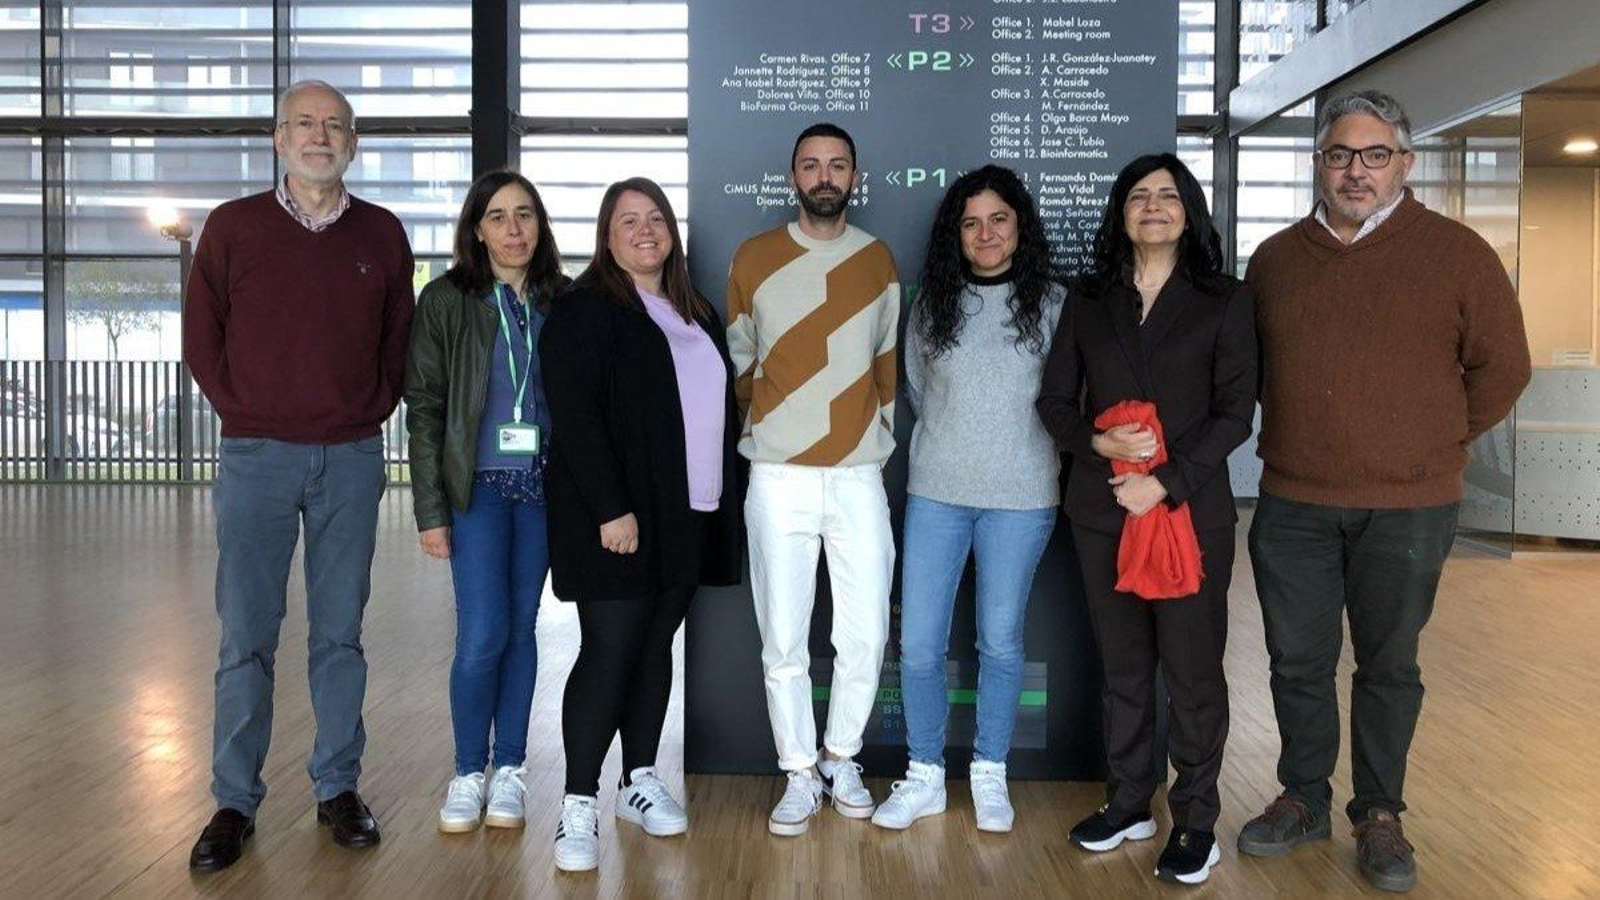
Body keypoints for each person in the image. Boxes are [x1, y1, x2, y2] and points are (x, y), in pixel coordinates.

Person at [1239, 90, 1530, 894]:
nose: (1355, 171)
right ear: (1318, 164)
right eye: (1340, 155)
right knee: (1296, 662)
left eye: (1374, 155)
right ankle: (1303, 798)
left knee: (1388, 666)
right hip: (1294, 499)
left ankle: (1379, 813)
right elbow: (1253, 372)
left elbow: (1504, 367)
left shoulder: (1457, 254)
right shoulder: (1275, 260)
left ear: (1404, 162)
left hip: (1409, 506)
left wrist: (1436, 443)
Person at [183, 80, 414, 871]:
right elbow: (200, 339)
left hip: (350, 458)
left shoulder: (383, 233)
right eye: (305, 124)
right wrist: (244, 410)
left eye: (335, 126)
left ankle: (337, 787)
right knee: (245, 637)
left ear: (353, 143)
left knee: (339, 634)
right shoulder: (232, 228)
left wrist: (369, 410)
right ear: (278, 138)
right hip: (256, 459)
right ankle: (232, 802)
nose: (321, 136)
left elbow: (396, 342)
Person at [1037, 153, 1257, 885]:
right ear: (1121, 214)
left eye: (1168, 196)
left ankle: (1195, 820)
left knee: (1191, 674)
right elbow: (1055, 403)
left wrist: (1163, 483)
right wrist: (1098, 445)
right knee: (1125, 669)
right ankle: (1129, 801)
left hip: (1189, 513)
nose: (1153, 207)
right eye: (1139, 197)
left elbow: (1234, 415)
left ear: (1188, 210)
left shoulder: (1224, 299)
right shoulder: (1089, 299)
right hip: (1103, 512)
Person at [540, 177, 743, 872]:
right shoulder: (584, 310)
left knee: (656, 645)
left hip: (688, 511)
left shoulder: (696, 311)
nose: (645, 230)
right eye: (629, 220)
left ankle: (638, 781)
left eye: (655, 218)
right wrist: (609, 508)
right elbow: (576, 416)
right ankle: (577, 803)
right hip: (615, 516)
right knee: (610, 649)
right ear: (607, 235)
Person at [869, 165, 1063, 835]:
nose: (985, 233)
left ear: (1019, 226)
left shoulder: (1054, 304)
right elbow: (919, 391)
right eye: (971, 222)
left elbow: (1066, 401)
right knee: (919, 644)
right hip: (938, 492)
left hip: (1022, 494)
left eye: (998, 219)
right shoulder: (931, 304)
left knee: (999, 642)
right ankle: (924, 773)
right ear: (957, 233)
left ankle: (989, 772)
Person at [726, 123, 900, 836]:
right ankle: (798, 770)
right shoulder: (754, 258)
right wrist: (777, 424)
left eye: (836, 165)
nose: (824, 175)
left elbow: (887, 365)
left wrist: (866, 438)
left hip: (858, 473)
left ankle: (842, 756)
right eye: (811, 165)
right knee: (784, 637)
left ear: (854, 176)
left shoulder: (877, 260)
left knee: (864, 634)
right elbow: (740, 359)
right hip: (778, 475)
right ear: (793, 177)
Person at [405, 170, 568, 834]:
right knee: (482, 635)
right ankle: (469, 771)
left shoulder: (560, 300)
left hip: (541, 489)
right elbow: (424, 409)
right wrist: (430, 511)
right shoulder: (448, 299)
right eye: (498, 217)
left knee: (523, 630)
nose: (513, 229)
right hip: (475, 489)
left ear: (540, 225)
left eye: (525, 215)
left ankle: (512, 770)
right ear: (477, 228)